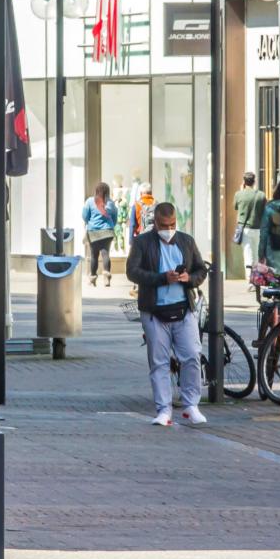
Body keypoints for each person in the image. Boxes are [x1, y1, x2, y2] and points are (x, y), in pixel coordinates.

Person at [125, 202, 210, 427]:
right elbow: (132, 272)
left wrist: (188, 279)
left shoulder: (186, 241)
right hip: (154, 311)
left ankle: (191, 405)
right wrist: (163, 278)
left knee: (192, 355)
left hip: (184, 308)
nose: (169, 229)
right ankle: (164, 410)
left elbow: (201, 270)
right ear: (155, 223)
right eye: (164, 225)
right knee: (159, 362)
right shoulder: (143, 242)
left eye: (172, 224)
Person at [233, 173, 267, 291]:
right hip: (258, 228)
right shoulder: (261, 195)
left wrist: (241, 190)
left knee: (248, 254)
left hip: (245, 228)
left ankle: (250, 281)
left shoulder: (239, 194)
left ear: (244, 181)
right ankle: (257, 279)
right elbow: (264, 210)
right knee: (257, 255)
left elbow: (235, 207)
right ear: (254, 181)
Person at [82, 182, 118, 287]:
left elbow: (84, 216)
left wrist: (90, 222)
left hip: (93, 231)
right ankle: (107, 278)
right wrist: (110, 226)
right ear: (107, 192)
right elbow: (115, 218)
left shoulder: (89, 201)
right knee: (105, 254)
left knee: (94, 255)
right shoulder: (110, 203)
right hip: (107, 232)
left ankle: (92, 279)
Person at [258, 179, 280, 281]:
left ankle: (277, 294)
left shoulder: (269, 208)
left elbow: (264, 232)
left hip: (273, 247)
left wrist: (261, 253)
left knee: (275, 279)